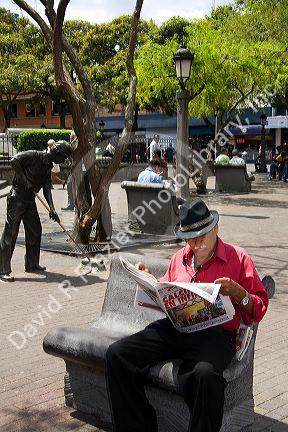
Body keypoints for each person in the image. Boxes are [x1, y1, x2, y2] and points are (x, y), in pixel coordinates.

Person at [106, 198, 269, 432]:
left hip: (216, 336)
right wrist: (150, 280)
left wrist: (238, 292)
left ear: (215, 228)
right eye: (190, 237)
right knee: (118, 354)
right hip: (177, 328)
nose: (196, 243)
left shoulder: (238, 258)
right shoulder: (180, 257)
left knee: (205, 376)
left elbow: (259, 307)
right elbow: (166, 290)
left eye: (202, 234)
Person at [0, 141, 73, 282]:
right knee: (11, 232)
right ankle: (3, 269)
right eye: (63, 158)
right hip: (17, 198)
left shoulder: (48, 166)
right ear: (57, 153)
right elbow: (14, 160)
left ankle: (31, 264)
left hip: (30, 201)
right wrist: (25, 179)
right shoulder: (35, 155)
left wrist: (52, 208)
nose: (63, 161)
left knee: (35, 230)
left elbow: (46, 188)